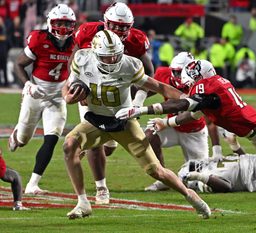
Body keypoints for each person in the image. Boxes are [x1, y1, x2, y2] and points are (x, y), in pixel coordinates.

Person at [116, 59, 256, 222]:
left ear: (196, 78)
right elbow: (192, 113)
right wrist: (164, 123)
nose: (186, 86)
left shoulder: (206, 88)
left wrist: (144, 110)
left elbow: (183, 104)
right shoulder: (216, 84)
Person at [62, 30, 211, 220]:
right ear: (96, 53)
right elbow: (67, 85)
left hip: (124, 122)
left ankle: (191, 196)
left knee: (155, 171)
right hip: (96, 121)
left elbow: (159, 87)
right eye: (107, 57)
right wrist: (68, 96)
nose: (113, 61)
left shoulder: (129, 65)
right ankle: (83, 202)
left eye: (116, 55)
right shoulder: (82, 59)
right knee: (69, 145)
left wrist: (186, 99)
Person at [72, 2, 154, 205]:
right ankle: (101, 187)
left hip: (119, 98)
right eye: (115, 25)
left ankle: (100, 144)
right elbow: (76, 57)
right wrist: (76, 84)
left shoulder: (136, 39)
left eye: (124, 26)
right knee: (94, 142)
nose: (119, 30)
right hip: (92, 93)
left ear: (131, 25)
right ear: (105, 22)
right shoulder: (87, 32)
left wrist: (136, 101)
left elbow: (149, 73)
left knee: (109, 146)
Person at [8, 4, 76, 194]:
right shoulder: (39, 39)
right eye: (59, 22)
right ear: (50, 23)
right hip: (35, 93)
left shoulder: (76, 43)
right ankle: (16, 136)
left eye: (66, 23)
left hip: (57, 95)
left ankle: (32, 184)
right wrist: (28, 85)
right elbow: (19, 64)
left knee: (52, 138)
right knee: (23, 139)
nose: (63, 27)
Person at [133, 52, 223, 191]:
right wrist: (137, 101)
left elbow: (210, 119)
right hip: (171, 127)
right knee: (150, 135)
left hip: (194, 132)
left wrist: (217, 149)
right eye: (174, 72)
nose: (176, 76)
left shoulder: (201, 83)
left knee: (200, 178)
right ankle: (164, 179)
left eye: (179, 72)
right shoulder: (164, 74)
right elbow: (148, 86)